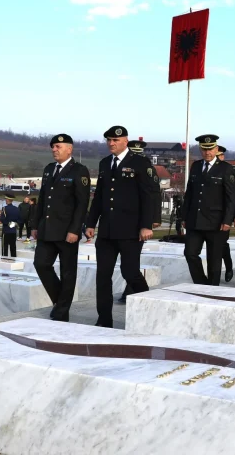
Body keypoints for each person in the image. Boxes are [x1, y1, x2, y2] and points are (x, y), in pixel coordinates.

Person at [85, 125, 158, 328]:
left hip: (131, 230)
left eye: (115, 140)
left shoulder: (140, 163)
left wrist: (146, 225)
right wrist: (91, 223)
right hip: (107, 231)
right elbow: (99, 196)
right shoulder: (104, 163)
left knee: (130, 272)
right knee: (103, 276)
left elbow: (148, 196)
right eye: (108, 140)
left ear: (125, 141)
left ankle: (149, 306)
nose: (111, 143)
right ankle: (104, 319)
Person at [30, 134, 90, 322]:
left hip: (67, 232)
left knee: (67, 272)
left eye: (57, 146)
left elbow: (82, 204)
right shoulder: (49, 169)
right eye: (52, 147)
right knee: (40, 264)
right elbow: (42, 199)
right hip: (47, 229)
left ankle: (62, 311)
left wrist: (75, 230)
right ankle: (60, 302)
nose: (54, 150)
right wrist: (35, 225)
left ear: (69, 149)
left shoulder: (79, 170)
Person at [181, 136, 235, 286]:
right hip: (195, 220)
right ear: (200, 149)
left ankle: (212, 289)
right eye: (204, 149)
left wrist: (227, 220)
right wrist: (184, 217)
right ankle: (201, 284)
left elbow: (231, 198)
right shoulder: (196, 166)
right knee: (190, 254)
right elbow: (190, 194)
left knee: (214, 260)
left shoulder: (226, 168)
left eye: (210, 149)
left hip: (216, 222)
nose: (207, 152)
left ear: (216, 149)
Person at [118, 139, 162, 303]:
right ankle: (131, 290)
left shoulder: (146, 166)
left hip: (140, 220)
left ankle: (133, 291)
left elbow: (154, 193)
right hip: (125, 219)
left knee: (132, 261)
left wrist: (155, 218)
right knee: (130, 263)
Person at [215, 146, 235, 281]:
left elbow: (234, 196)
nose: (218, 158)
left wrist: (232, 217)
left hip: (223, 216)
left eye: (220, 155)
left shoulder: (229, 170)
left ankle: (228, 267)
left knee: (222, 245)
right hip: (209, 216)